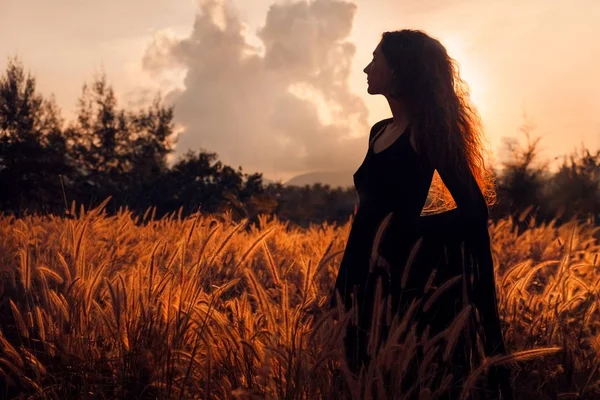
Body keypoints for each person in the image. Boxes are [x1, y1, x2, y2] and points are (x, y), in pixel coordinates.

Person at [329, 30, 513, 399]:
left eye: (375, 60)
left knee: (398, 380)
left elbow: (474, 209)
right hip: (362, 281)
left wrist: (412, 234)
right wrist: (341, 288)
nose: (366, 68)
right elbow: (367, 218)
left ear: (398, 70)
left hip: (401, 287)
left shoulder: (427, 134)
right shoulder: (378, 131)